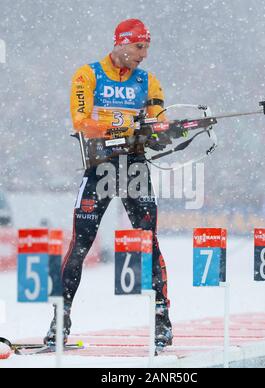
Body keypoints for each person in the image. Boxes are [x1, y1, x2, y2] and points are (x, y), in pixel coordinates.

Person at [44, 19, 174, 351]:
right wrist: (124, 130)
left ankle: (162, 322)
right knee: (80, 245)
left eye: (147, 47)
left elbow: (158, 121)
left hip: (134, 168)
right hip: (100, 167)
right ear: (121, 43)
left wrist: (165, 131)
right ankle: (60, 322)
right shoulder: (87, 75)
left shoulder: (148, 81)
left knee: (148, 243)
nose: (144, 55)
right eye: (139, 47)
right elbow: (82, 123)